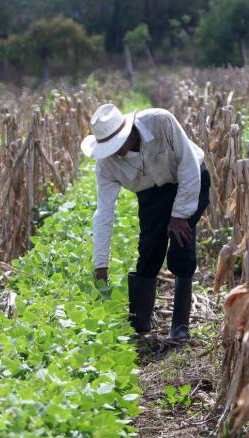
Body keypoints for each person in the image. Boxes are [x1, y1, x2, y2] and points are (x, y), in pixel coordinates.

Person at [80, 103, 210, 340]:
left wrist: (180, 215)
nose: (114, 152)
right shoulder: (106, 165)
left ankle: (180, 326)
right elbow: (104, 212)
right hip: (151, 194)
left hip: (189, 181)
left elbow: (189, 166)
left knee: (181, 244)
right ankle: (140, 325)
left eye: (116, 145)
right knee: (149, 250)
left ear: (129, 132)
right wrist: (100, 265)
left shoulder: (161, 122)